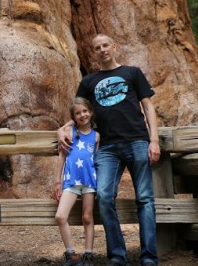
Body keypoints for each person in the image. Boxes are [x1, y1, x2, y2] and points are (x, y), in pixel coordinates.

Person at [57, 34, 160, 266]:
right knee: (104, 197)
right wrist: (62, 129)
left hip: (137, 141)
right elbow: (79, 112)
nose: (102, 50)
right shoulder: (89, 81)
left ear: (114, 47)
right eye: (97, 48)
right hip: (106, 148)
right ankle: (117, 256)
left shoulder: (132, 73)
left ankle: (149, 257)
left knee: (144, 198)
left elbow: (148, 106)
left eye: (106, 45)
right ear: (94, 53)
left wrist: (154, 139)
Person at [54, 97, 100, 266]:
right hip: (71, 181)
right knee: (60, 216)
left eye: (85, 111)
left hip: (89, 181)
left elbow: (96, 160)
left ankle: (88, 254)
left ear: (91, 112)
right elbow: (62, 157)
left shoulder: (97, 137)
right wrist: (57, 181)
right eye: (78, 113)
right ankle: (71, 254)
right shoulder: (69, 132)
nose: (82, 115)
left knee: (87, 217)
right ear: (73, 117)